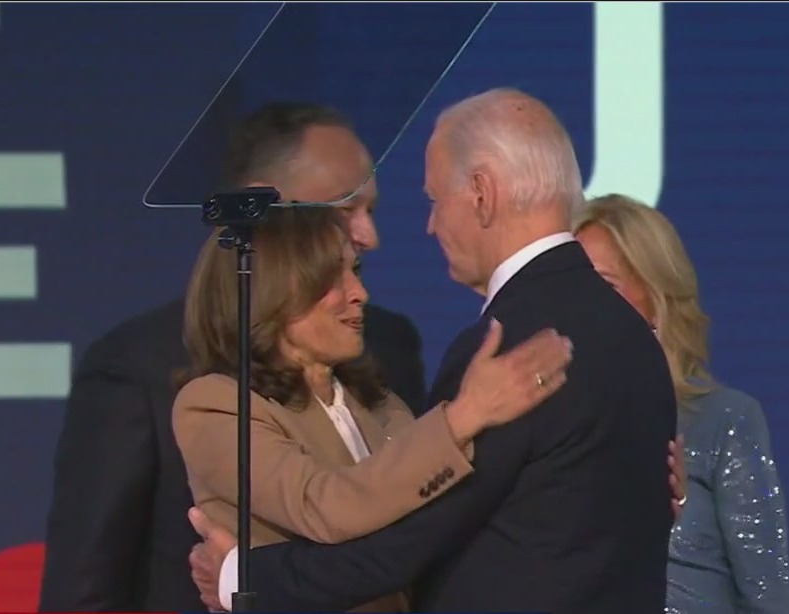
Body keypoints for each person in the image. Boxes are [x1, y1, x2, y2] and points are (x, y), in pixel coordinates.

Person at [187, 87, 678, 614]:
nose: (430, 225)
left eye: (434, 199)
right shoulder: (633, 333)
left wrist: (242, 577)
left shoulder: (506, 350)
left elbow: (405, 547)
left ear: (482, 194)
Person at [38, 102, 431, 612]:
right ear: (253, 214)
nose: (368, 236)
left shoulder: (390, 344)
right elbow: (85, 589)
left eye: (370, 211)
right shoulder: (139, 367)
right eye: (341, 210)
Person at [174, 204, 573, 612]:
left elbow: (427, 528)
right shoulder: (216, 405)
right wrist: (464, 417)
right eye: (332, 277)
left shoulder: (378, 401)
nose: (359, 294)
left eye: (356, 271)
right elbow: (325, 507)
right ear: (269, 292)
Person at [573, 194, 789, 613]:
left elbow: (769, 601)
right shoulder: (547, 428)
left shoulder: (724, 420)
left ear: (656, 298)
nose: (582, 307)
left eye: (605, 286)